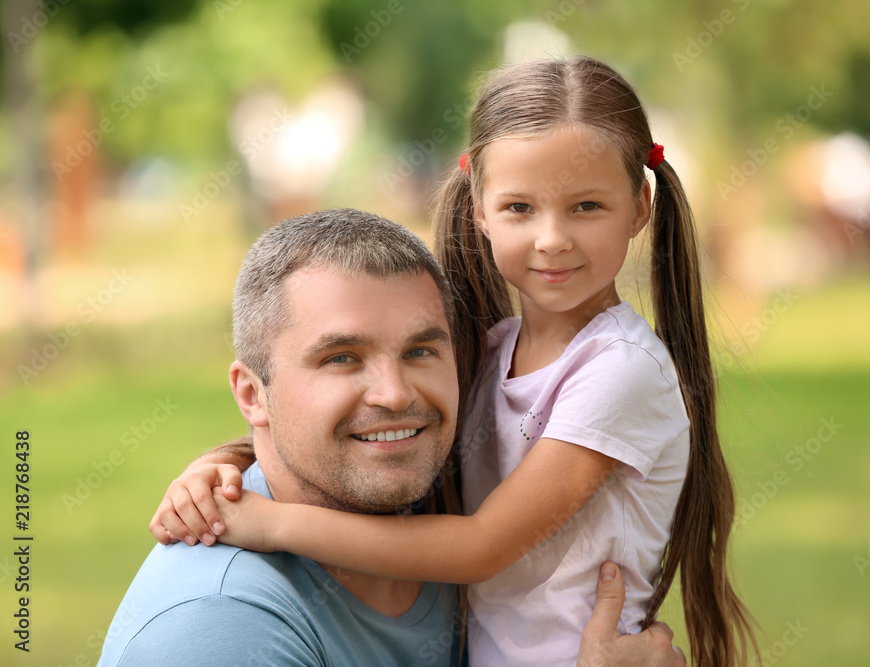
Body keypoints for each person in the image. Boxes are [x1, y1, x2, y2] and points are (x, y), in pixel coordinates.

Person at [155, 56, 760, 666]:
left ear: (639, 208)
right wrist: (223, 466)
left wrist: (268, 524)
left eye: (587, 207)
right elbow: (385, 434)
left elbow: (480, 547)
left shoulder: (620, 371)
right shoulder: (494, 348)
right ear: (480, 211)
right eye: (520, 208)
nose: (552, 238)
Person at [101, 208, 684, 667]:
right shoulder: (218, 627)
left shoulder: (442, 512)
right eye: (342, 357)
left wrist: (224, 459)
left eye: (420, 350)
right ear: (253, 395)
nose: (395, 393)